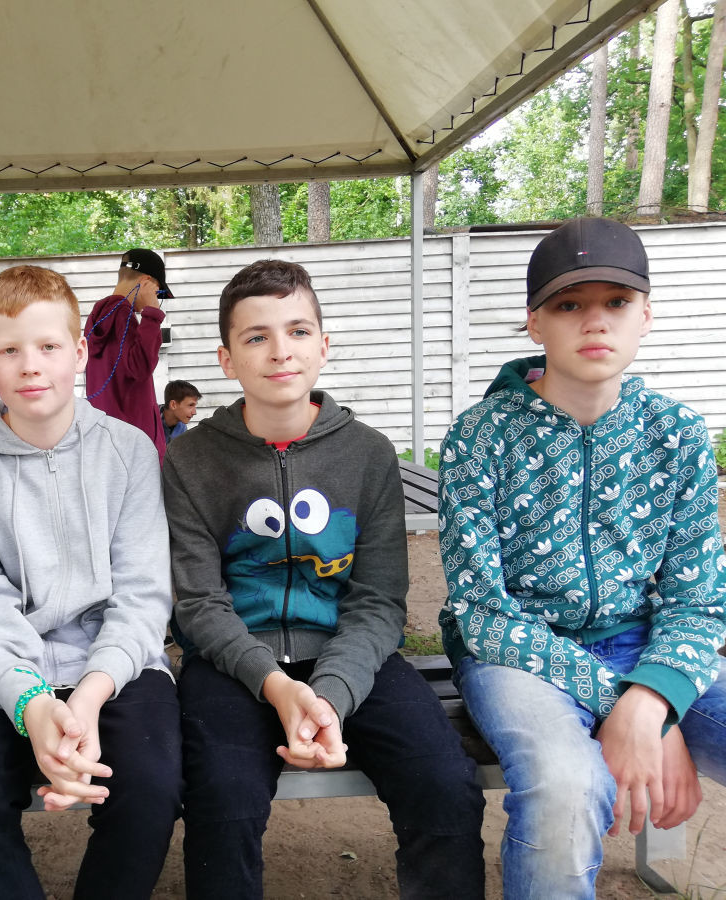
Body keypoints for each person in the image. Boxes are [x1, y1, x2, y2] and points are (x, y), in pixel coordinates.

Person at [164, 259, 485, 899]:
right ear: (227, 359)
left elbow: (378, 601)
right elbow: (199, 603)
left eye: (298, 331)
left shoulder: (368, 453)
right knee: (221, 799)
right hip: (232, 663)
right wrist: (277, 686)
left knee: (446, 786)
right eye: (256, 336)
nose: (280, 351)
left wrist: (331, 695)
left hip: (352, 653)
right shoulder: (190, 458)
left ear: (324, 345)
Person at [438, 217, 726, 899]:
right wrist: (629, 708)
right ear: (535, 322)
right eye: (569, 304)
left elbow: (698, 599)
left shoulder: (676, 433)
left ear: (645, 315)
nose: (595, 320)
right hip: (515, 656)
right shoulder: (480, 438)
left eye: (617, 301)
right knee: (565, 787)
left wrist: (656, 698)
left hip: (645, 641)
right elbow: (482, 613)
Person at [0, 264, 181, 899]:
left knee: (151, 787)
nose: (31, 366)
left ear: (80, 352)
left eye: (48, 346)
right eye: (10, 350)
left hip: (114, 665)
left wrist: (88, 696)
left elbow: (142, 594)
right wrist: (32, 703)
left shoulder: (129, 451)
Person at [84, 248, 174, 458]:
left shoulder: (99, 317)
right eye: (158, 292)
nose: (157, 298)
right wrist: (153, 316)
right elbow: (139, 368)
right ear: (146, 282)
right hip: (134, 446)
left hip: (110, 442)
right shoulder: (122, 315)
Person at [160, 379, 201, 443]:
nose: (194, 412)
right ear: (173, 405)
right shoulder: (149, 422)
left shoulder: (182, 428)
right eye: (190, 405)